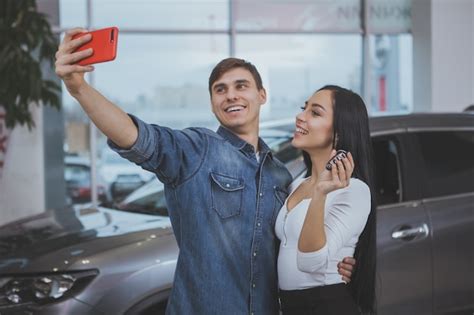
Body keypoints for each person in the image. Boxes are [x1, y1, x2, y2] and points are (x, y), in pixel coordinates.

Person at [55, 28, 356, 314]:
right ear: (213, 103)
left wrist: (333, 264)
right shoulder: (196, 150)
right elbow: (136, 136)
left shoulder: (280, 176)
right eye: (220, 90)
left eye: (241, 86)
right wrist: (79, 88)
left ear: (262, 95)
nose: (231, 96)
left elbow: (293, 247)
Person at [275, 85, 376, 314]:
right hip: (291, 306)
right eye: (304, 108)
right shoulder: (296, 184)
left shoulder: (354, 190)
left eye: (315, 112)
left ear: (339, 132)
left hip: (325, 305)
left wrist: (320, 193)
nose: (300, 117)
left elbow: (310, 262)